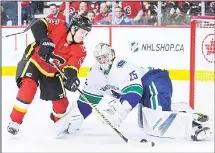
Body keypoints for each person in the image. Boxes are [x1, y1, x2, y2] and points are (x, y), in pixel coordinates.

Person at [57, 43, 212, 141]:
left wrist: (120, 112)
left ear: (112, 54)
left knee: (157, 123)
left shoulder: (123, 65)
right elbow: (88, 100)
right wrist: (74, 121)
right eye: (100, 58)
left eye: (106, 56)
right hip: (144, 92)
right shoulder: (95, 73)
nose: (103, 60)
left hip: (154, 81)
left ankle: (195, 127)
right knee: (148, 122)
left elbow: (135, 90)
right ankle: (189, 113)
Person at [7, 15, 92, 135]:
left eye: (86, 33)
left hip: (53, 72)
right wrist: (43, 40)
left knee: (61, 104)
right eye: (82, 32)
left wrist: (71, 78)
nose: (84, 36)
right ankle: (15, 121)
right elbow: (38, 24)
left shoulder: (81, 50)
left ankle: (57, 120)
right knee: (28, 88)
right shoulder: (59, 24)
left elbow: (72, 68)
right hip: (34, 61)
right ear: (73, 28)